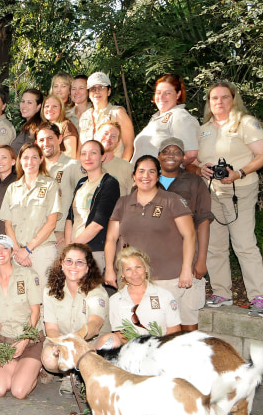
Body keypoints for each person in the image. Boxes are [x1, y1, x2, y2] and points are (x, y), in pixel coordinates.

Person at [195, 80, 263, 317]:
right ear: (209, 102)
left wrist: (239, 173)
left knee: (243, 244)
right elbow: (196, 160)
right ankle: (221, 292)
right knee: (215, 245)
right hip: (212, 192)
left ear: (233, 99)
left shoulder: (245, 123)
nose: (219, 102)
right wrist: (201, 168)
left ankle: (259, 297)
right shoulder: (204, 128)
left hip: (240, 191)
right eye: (214, 98)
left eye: (224, 97)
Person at [104, 155, 196, 310]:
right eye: (141, 171)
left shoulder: (172, 200)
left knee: (165, 327)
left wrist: (187, 269)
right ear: (134, 176)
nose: (145, 176)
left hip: (166, 277)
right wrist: (109, 269)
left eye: (151, 172)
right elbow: (111, 238)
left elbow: (190, 235)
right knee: (134, 323)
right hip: (130, 276)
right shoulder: (123, 202)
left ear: (158, 176)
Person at [158, 137, 214, 331]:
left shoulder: (194, 182)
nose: (171, 156)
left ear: (183, 157)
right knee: (162, 323)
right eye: (166, 151)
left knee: (188, 319)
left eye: (176, 152)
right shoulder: (147, 181)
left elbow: (203, 221)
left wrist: (201, 260)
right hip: (158, 266)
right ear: (159, 156)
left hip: (187, 261)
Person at [40, 243, 110, 394]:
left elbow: (95, 324)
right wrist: (62, 343)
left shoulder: (97, 291)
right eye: (69, 261)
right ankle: (69, 374)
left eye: (79, 262)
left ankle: (85, 376)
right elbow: (51, 328)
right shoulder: (49, 290)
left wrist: (72, 342)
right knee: (49, 358)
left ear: (87, 267)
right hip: (62, 339)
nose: (73, 266)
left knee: (111, 342)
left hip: (90, 342)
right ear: (62, 264)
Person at [0, 235, 44, 400]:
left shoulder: (28, 276)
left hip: (30, 341)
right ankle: (20, 368)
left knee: (18, 391)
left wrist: (24, 341)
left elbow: (35, 313)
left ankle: (35, 369)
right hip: (6, 342)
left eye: (5, 248)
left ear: (12, 253)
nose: (0, 252)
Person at [0, 143, 61, 282]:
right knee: (20, 299)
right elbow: (8, 224)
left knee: (43, 298)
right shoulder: (12, 188)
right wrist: (17, 250)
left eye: (34, 157)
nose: (30, 162)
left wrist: (27, 250)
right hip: (17, 254)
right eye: (26, 158)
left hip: (41, 252)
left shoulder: (50, 185)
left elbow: (51, 223)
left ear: (41, 159)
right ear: (20, 160)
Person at [102, 247, 182, 348]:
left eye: (138, 267)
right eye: (128, 269)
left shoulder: (165, 296)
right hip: (132, 352)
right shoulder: (115, 300)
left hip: (161, 351)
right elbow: (120, 335)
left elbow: (174, 332)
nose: (134, 273)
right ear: (122, 274)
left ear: (146, 269)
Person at [65, 140, 120, 272]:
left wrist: (75, 246)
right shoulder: (81, 183)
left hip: (93, 251)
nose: (87, 157)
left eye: (93, 153)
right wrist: (68, 247)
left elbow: (98, 223)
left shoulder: (109, 183)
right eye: (83, 154)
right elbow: (70, 217)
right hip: (74, 250)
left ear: (103, 157)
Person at [132, 74, 199, 166]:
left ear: (178, 94)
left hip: (161, 178)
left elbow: (190, 154)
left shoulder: (179, 116)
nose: (161, 96)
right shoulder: (155, 119)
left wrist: (167, 172)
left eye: (167, 93)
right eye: (158, 92)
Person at [35, 122, 82, 248]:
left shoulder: (74, 166)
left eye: (50, 138)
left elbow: (83, 204)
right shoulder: (34, 171)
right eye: (41, 140)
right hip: (37, 237)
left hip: (61, 236)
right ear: (36, 144)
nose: (46, 143)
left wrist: (70, 234)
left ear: (60, 139)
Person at [78, 72, 135, 161]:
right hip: (90, 171)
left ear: (108, 91)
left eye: (101, 87)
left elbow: (129, 146)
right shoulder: (84, 117)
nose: (97, 91)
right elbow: (80, 148)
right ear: (88, 93)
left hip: (114, 170)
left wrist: (121, 169)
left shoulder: (118, 113)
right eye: (93, 88)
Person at [96, 122, 134, 196]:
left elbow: (133, 199)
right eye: (105, 133)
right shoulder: (84, 166)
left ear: (118, 143)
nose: (108, 137)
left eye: (113, 136)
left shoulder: (127, 168)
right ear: (95, 136)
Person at [42, 94, 79, 159]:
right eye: (47, 106)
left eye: (54, 106)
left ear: (61, 109)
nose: (50, 109)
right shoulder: (43, 128)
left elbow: (71, 154)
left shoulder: (66, 125)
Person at [10, 89, 43, 155]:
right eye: (23, 101)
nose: (24, 106)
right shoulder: (27, 127)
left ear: (38, 107)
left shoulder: (39, 129)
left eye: (29, 102)